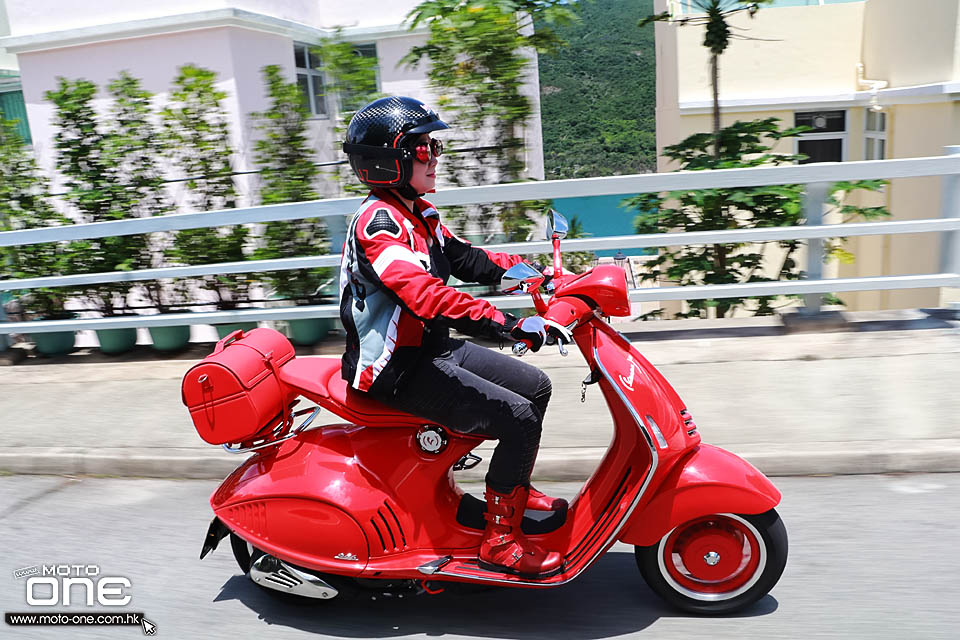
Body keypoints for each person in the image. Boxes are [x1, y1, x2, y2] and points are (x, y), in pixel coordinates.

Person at [339, 96, 564, 578]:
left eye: (435, 146)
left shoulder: (418, 213)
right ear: (390, 159)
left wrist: (533, 276)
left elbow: (466, 259)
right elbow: (425, 296)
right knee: (518, 418)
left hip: (431, 349)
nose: (435, 156)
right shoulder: (379, 223)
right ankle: (499, 541)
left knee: (536, 387)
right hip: (397, 369)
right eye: (425, 148)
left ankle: (511, 488)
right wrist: (508, 325)